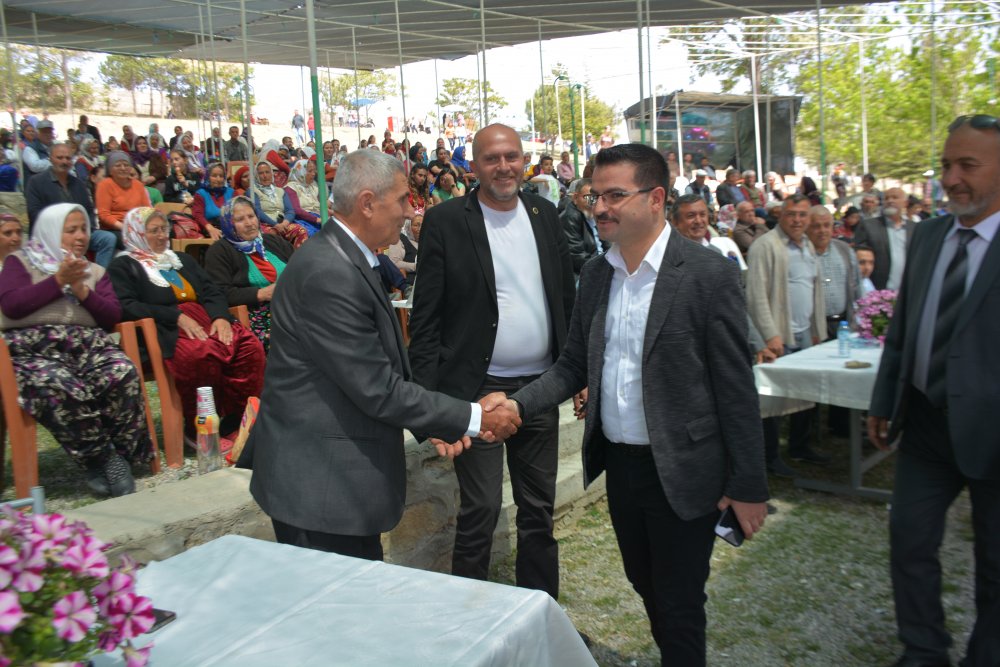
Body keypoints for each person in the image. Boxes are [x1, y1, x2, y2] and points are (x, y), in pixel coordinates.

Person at [484, 143, 768, 665]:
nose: (600, 207)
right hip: (620, 465)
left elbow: (736, 388)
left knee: (680, 600)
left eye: (615, 195)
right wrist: (517, 407)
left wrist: (749, 486)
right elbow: (572, 365)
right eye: (596, 196)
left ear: (656, 198)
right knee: (644, 581)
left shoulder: (708, 275)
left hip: (684, 469)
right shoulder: (597, 274)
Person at [236, 148, 520, 561]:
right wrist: (473, 417)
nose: (409, 212)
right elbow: (377, 387)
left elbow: (381, 366)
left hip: (333, 485)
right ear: (367, 203)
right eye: (402, 199)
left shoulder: (347, 258)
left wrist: (436, 422)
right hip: (321, 489)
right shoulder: (329, 272)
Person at [408, 123, 575, 600]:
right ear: (474, 166)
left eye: (512, 157)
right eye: (491, 158)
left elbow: (566, 299)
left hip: (540, 388)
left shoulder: (545, 215)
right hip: (476, 392)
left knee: (538, 510)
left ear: (524, 161)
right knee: (480, 509)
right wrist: (432, 408)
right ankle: (470, 615)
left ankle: (540, 614)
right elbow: (427, 319)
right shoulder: (446, 221)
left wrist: (576, 373)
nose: (504, 167)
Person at [867, 115, 1000, 667]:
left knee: (994, 561)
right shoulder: (927, 236)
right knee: (910, 539)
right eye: (946, 165)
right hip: (924, 423)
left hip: (994, 432)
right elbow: (901, 330)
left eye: (967, 165)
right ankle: (923, 650)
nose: (951, 178)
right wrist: (884, 401)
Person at [0, 203, 150, 497]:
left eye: (84, 229)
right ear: (50, 231)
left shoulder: (94, 271)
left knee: (122, 372)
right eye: (71, 230)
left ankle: (120, 455)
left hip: (88, 347)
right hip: (33, 351)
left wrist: (81, 290)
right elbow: (12, 305)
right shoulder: (21, 261)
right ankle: (104, 459)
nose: (81, 236)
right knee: (58, 383)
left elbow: (111, 315)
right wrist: (58, 281)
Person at [109, 207, 266, 450]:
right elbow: (125, 306)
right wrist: (175, 316)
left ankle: (237, 420)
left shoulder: (181, 259)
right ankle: (198, 427)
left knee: (248, 346)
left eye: (164, 229)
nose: (162, 235)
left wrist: (220, 317)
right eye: (154, 231)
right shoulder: (124, 266)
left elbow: (212, 290)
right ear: (136, 233)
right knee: (200, 353)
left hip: (205, 319)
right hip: (165, 329)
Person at [746, 195, 828, 467]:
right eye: (791, 214)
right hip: (779, 335)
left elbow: (813, 290)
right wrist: (770, 335)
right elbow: (756, 296)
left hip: (804, 333)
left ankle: (799, 446)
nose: (797, 220)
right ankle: (770, 457)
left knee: (805, 393)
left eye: (803, 215)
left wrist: (816, 329)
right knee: (774, 399)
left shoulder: (808, 245)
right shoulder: (765, 246)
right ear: (781, 215)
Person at [205, 196, 294, 354]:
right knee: (293, 337)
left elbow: (299, 267)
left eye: (251, 216)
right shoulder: (219, 251)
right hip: (258, 315)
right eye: (240, 219)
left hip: (291, 305)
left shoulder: (273, 241)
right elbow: (219, 292)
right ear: (228, 223)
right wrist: (261, 294)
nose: (249, 223)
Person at [25, 142, 117, 268]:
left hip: (79, 232)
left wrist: (85, 230)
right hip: (51, 234)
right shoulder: (36, 182)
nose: (64, 161)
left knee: (108, 238)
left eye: (68, 158)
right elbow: (34, 213)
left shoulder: (78, 184)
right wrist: (63, 229)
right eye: (60, 158)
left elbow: (89, 210)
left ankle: (100, 275)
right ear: (50, 158)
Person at [852, 187, 915, 291]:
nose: (890, 201)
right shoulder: (868, 226)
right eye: (886, 198)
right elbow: (858, 258)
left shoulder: (914, 228)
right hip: (877, 292)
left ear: (905, 203)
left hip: (907, 290)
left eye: (895, 197)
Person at [251, 161, 309, 249]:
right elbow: (257, 211)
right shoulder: (253, 191)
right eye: (261, 173)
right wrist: (275, 224)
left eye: (267, 172)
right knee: (272, 234)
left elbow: (290, 210)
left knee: (301, 231)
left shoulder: (280, 191)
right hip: (265, 224)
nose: (265, 176)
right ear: (256, 176)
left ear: (272, 174)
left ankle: (297, 256)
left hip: (283, 223)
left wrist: (285, 223)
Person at [95, 152, 151, 234]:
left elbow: (147, 210)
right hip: (114, 229)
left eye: (126, 165)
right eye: (118, 165)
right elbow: (104, 215)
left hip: (137, 226)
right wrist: (125, 228)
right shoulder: (104, 185)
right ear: (110, 171)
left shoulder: (138, 185)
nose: (123, 168)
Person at [560, 178, 605, 279]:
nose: (593, 202)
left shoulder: (592, 213)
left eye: (595, 198)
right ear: (575, 198)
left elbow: (607, 242)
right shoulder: (570, 217)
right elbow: (576, 254)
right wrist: (602, 269)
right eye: (589, 198)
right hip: (584, 273)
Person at [190, 162, 230, 241]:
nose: (218, 179)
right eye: (214, 176)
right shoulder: (201, 194)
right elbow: (198, 215)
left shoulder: (231, 192)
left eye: (221, 176)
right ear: (208, 177)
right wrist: (209, 228)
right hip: (210, 231)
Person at [283, 159, 323, 235]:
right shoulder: (291, 188)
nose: (313, 174)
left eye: (314, 171)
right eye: (310, 171)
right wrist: (317, 219)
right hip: (303, 220)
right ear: (301, 172)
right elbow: (296, 210)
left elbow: (319, 205)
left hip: (319, 217)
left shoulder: (313, 186)